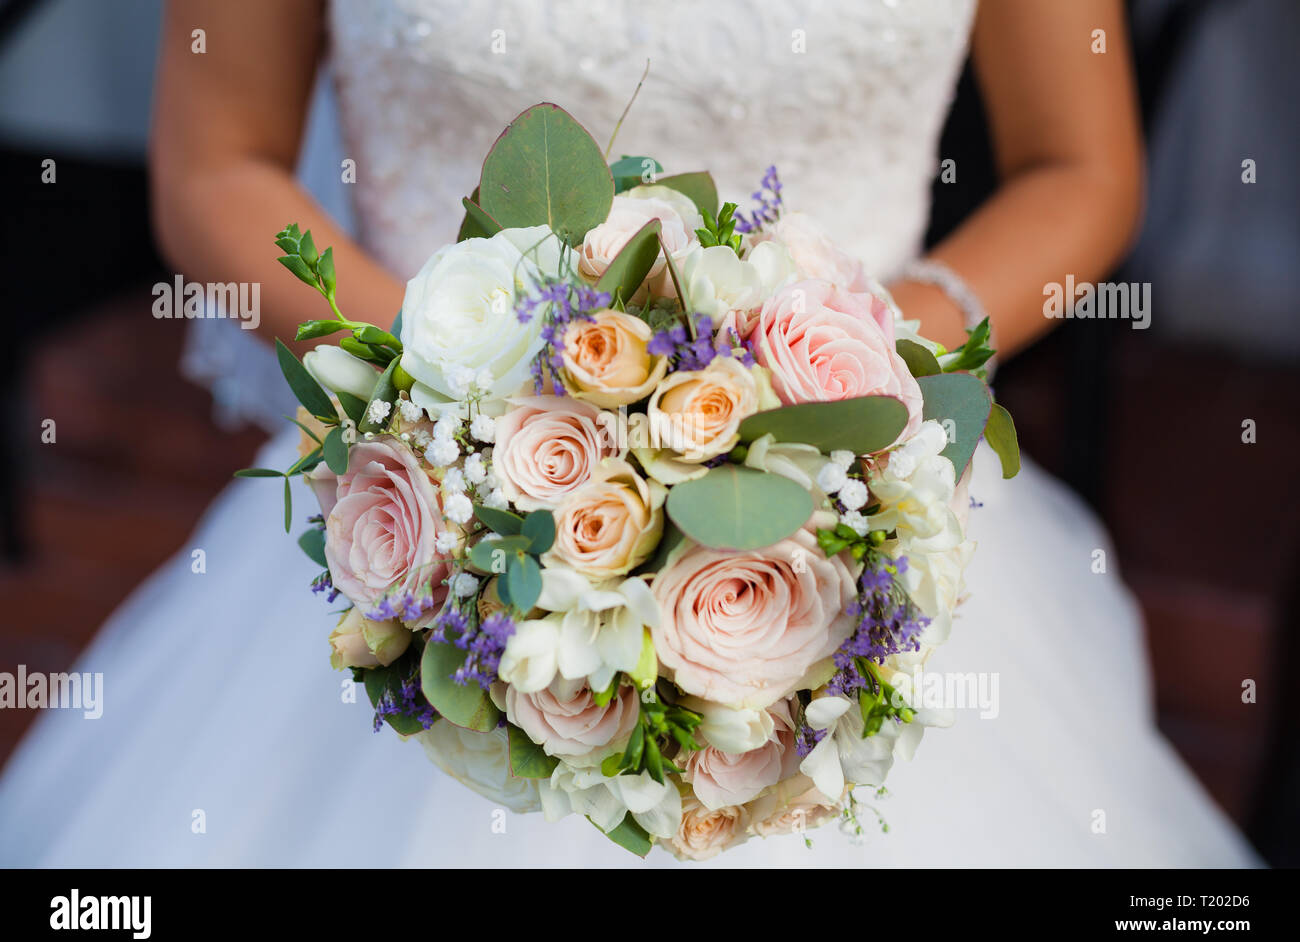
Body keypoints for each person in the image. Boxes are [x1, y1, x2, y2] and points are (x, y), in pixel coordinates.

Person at [0, 0, 1258, 866]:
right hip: (428, 508)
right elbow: (215, 162)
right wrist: (465, 404)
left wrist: (852, 372)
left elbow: (1079, 166)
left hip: (840, 501)